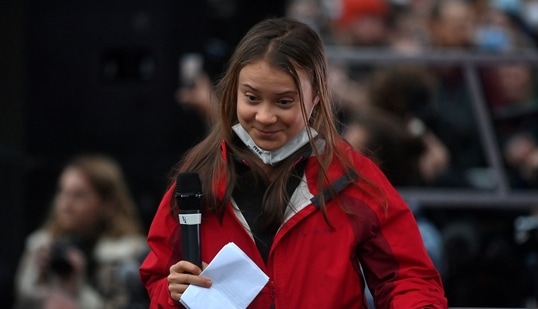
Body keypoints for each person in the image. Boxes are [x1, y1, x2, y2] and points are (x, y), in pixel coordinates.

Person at [139, 17, 447, 308]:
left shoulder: (351, 177)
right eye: (251, 98)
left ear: (316, 97)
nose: (265, 116)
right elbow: (158, 278)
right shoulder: (200, 176)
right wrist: (172, 293)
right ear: (234, 92)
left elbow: (408, 277)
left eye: (284, 101)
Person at [14, 154, 149, 309]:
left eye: (78, 196)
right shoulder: (41, 247)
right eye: (62, 192)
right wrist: (39, 275)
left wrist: (78, 290)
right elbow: (22, 300)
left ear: (107, 203)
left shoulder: (128, 256)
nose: (65, 204)